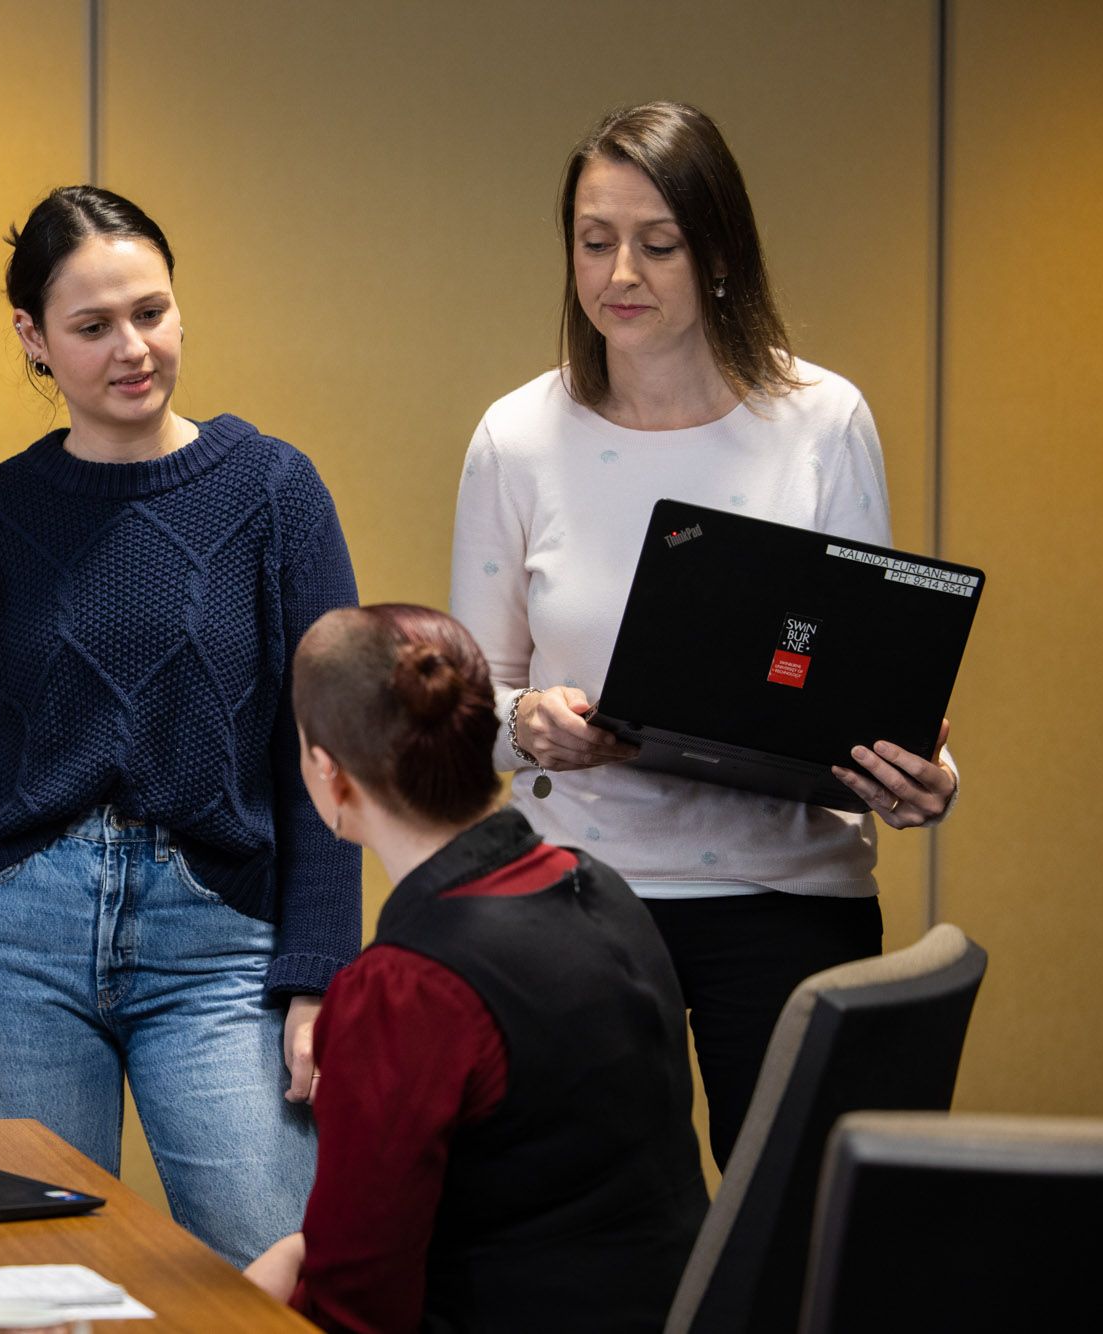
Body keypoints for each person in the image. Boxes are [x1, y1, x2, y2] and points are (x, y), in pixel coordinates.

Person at [450, 101, 957, 1168]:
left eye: (656, 242)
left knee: (786, 1231)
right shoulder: (517, 436)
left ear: (718, 252)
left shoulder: (821, 421)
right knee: (593, 1237)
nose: (618, 272)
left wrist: (908, 764)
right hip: (582, 900)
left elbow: (858, 677)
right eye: (593, 242)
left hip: (786, 900)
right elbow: (471, 705)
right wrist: (527, 723)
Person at [0, 185, 361, 1265]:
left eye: (150, 311)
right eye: (92, 327)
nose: (130, 349)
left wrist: (320, 976)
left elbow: (328, 756)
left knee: (277, 1263)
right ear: (32, 340)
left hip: (220, 943)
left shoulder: (275, 491)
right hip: (12, 945)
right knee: (32, 1285)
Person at [245, 603, 706, 1332]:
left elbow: (355, 1311)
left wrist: (271, 1283)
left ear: (328, 774)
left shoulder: (404, 988)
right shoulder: (598, 887)